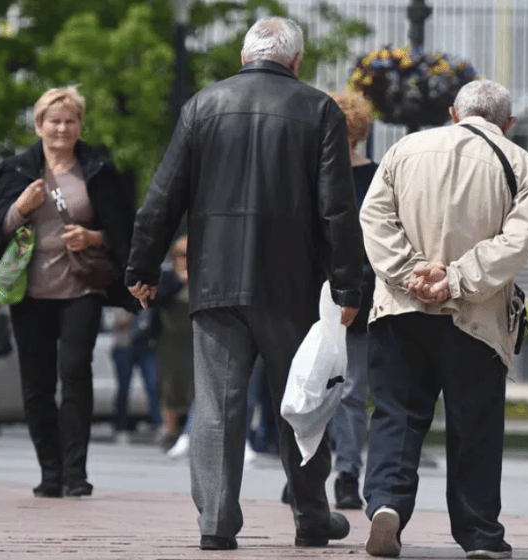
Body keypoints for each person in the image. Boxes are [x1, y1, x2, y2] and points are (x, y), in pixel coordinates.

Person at [124, 17, 364, 551]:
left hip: (215, 280)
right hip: (292, 285)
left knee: (217, 406)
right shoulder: (318, 109)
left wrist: (141, 267)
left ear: (243, 56)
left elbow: (164, 195)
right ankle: (310, 515)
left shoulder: (203, 106)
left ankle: (215, 521)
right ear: (296, 60)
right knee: (302, 399)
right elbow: (337, 208)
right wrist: (349, 286)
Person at [359, 79, 528, 559]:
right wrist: (455, 279)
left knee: (397, 414)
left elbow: (374, 218)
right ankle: (480, 535)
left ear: (454, 113)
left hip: (399, 309)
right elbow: (516, 243)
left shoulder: (404, 150)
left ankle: (386, 504)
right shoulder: (519, 163)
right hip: (476, 317)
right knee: (474, 426)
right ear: (508, 122)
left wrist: (411, 273)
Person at [0, 86, 136, 498]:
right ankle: (50, 471)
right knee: (36, 383)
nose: (62, 129)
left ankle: (76, 473)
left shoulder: (98, 169)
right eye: (54, 121)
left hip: (83, 287)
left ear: (80, 125)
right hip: (29, 291)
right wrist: (19, 209)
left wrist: (93, 237)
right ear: (39, 126)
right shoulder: (15, 171)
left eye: (70, 121)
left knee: (75, 371)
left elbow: (124, 230)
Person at [325, 91, 379, 510]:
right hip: (315, 292)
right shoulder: (311, 174)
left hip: (360, 292)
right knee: (312, 385)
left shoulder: (374, 177)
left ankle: (347, 473)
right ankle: (307, 467)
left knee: (351, 390)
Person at [154, 235, 193, 451]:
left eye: (189, 255)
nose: (185, 260)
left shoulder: (204, 277)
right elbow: (159, 299)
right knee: (170, 388)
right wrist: (180, 282)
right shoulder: (167, 277)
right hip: (170, 341)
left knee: (194, 388)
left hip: (194, 341)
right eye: (181, 255)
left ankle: (189, 432)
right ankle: (170, 432)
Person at [106, 307, 163, 442]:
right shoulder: (119, 297)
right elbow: (113, 321)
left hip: (146, 345)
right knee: (124, 388)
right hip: (124, 345)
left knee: (153, 385)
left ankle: (159, 424)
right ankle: (121, 426)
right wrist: (132, 313)